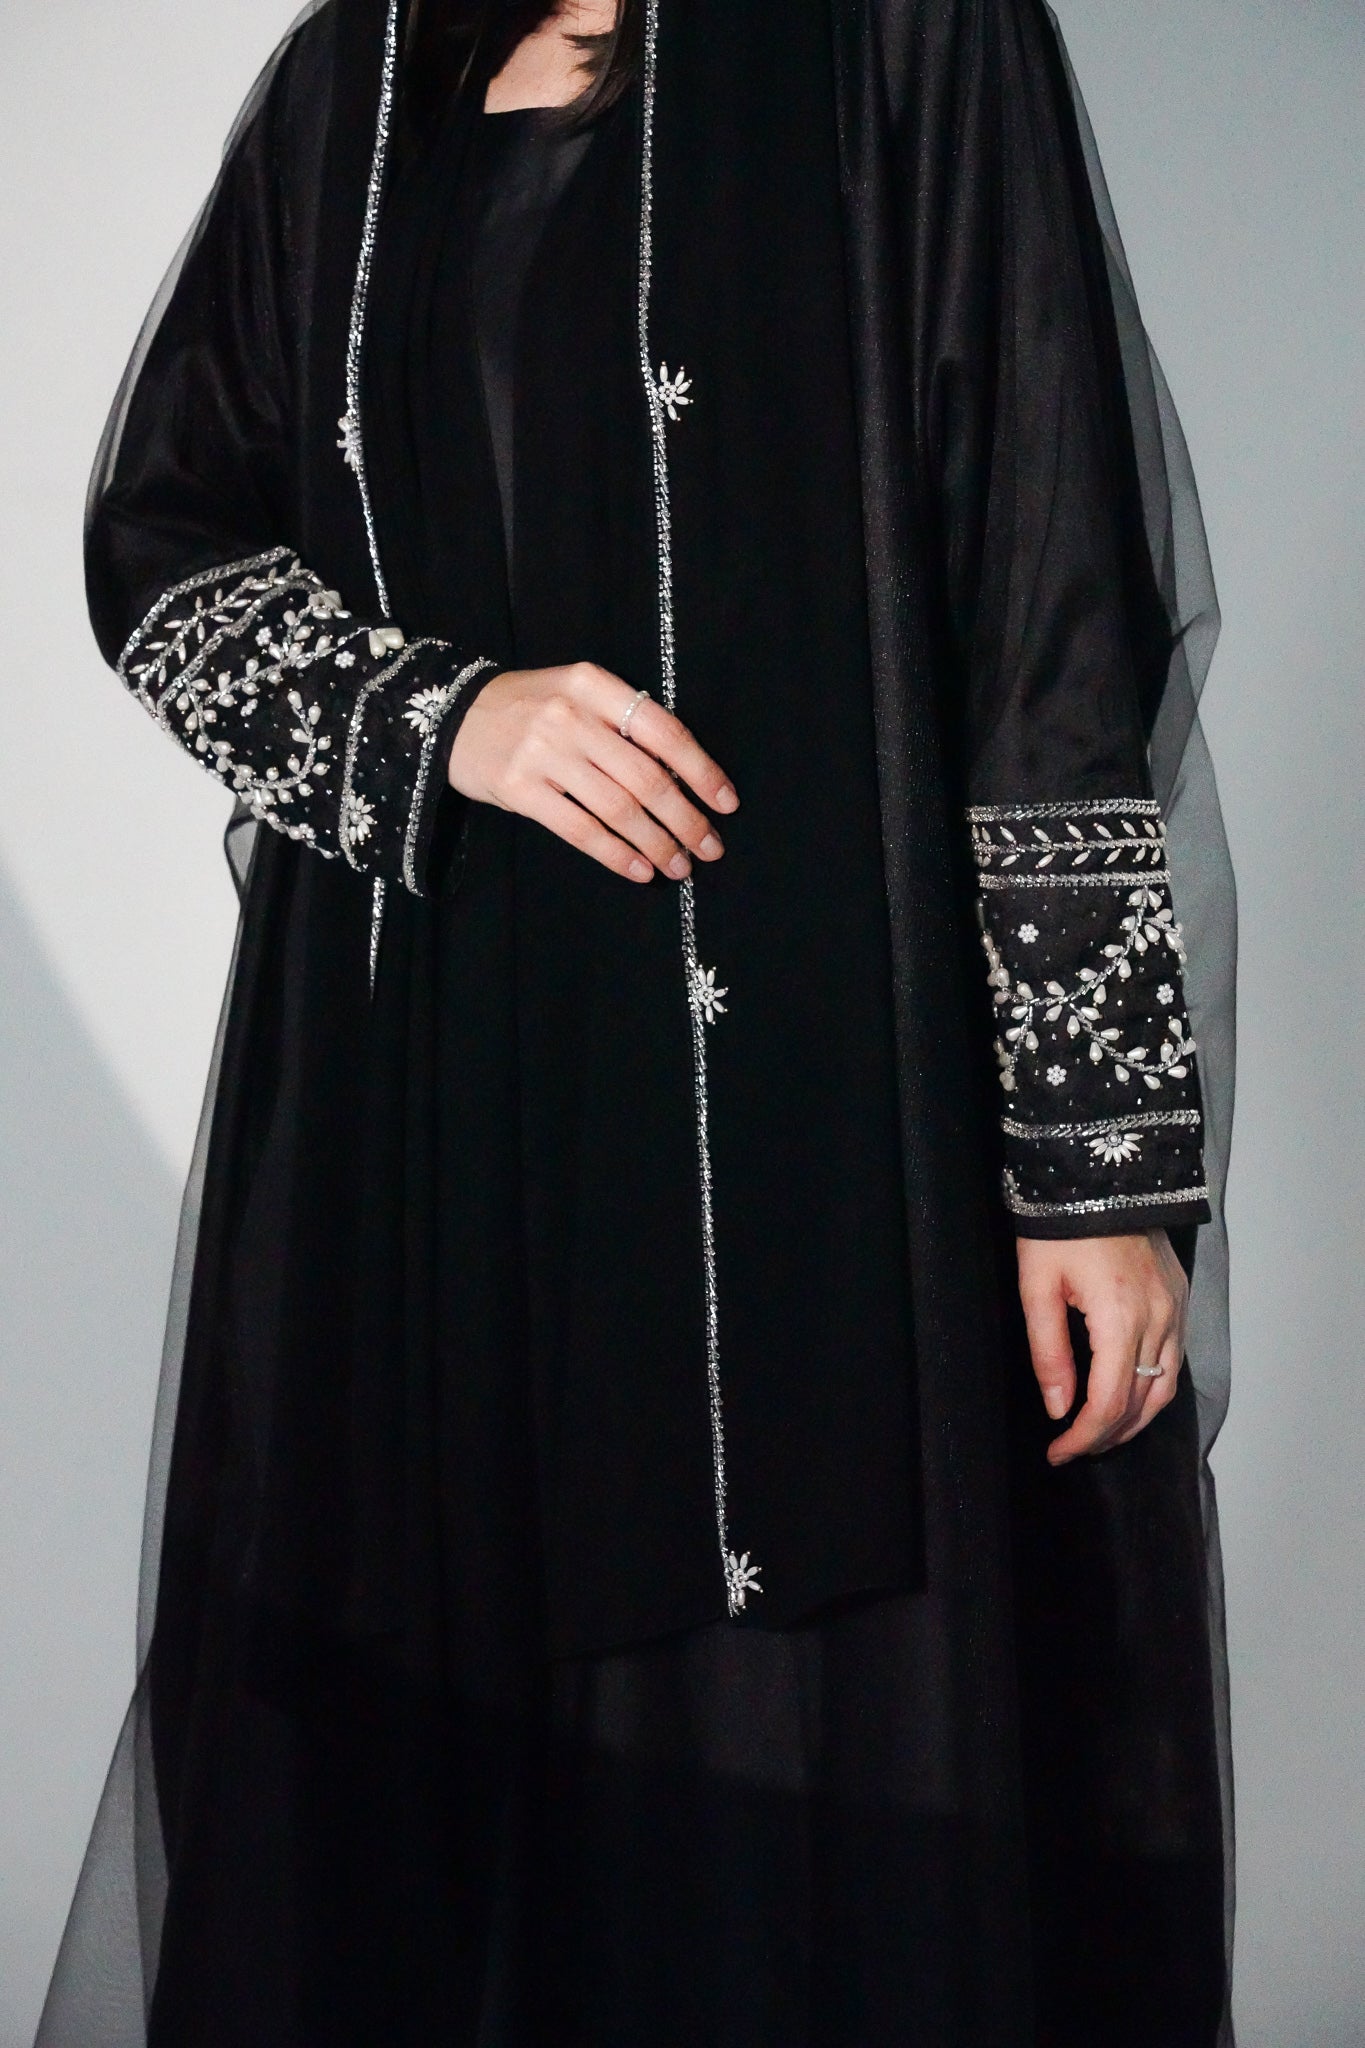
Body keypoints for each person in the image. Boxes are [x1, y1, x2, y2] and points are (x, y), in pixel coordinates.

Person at [37, 0, 1237, 2042]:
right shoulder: (357, 82)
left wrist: (1094, 1166)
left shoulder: (907, 40)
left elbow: (1040, 574)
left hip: (817, 1128)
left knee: (796, 1792)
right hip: (430, 1129)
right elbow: (159, 547)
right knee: (431, 1816)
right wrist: (446, 720)